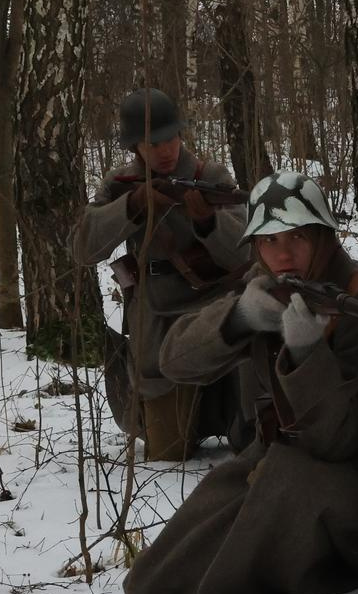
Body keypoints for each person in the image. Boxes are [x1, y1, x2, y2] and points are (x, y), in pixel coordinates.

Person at [121, 170, 358, 594]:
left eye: (298, 236)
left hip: (346, 486)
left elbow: (340, 437)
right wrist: (240, 318)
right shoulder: (265, 285)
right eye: (268, 241)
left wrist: (308, 352)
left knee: (228, 587)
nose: (283, 253)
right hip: (269, 459)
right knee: (150, 586)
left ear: (323, 236)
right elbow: (175, 362)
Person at [71, 88, 250, 459]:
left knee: (246, 430)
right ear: (135, 146)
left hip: (212, 306)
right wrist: (133, 206)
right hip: (156, 315)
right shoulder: (121, 184)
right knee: (168, 449)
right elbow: (83, 249)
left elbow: (244, 254)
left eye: (170, 138)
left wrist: (207, 221)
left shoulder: (211, 176)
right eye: (153, 143)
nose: (166, 150)